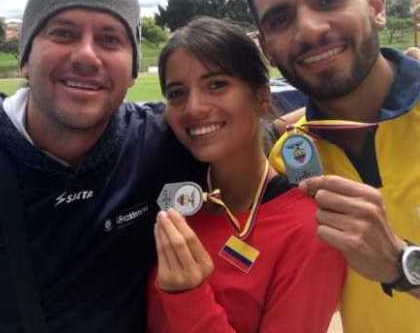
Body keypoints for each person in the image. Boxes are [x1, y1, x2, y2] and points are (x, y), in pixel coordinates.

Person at [0, 0, 201, 333]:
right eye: (63, 33)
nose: (85, 55)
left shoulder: (161, 142)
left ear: (132, 70)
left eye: (110, 39)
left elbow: (248, 152)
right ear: (25, 59)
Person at [246, 0, 420, 333]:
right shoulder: (290, 158)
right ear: (267, 49)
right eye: (281, 19)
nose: (308, 29)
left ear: (375, 5)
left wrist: (400, 265)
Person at [146, 17, 344, 333]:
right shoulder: (180, 203)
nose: (193, 107)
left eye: (216, 85)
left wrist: (188, 297)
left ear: (262, 96)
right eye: (176, 93)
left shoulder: (310, 230)